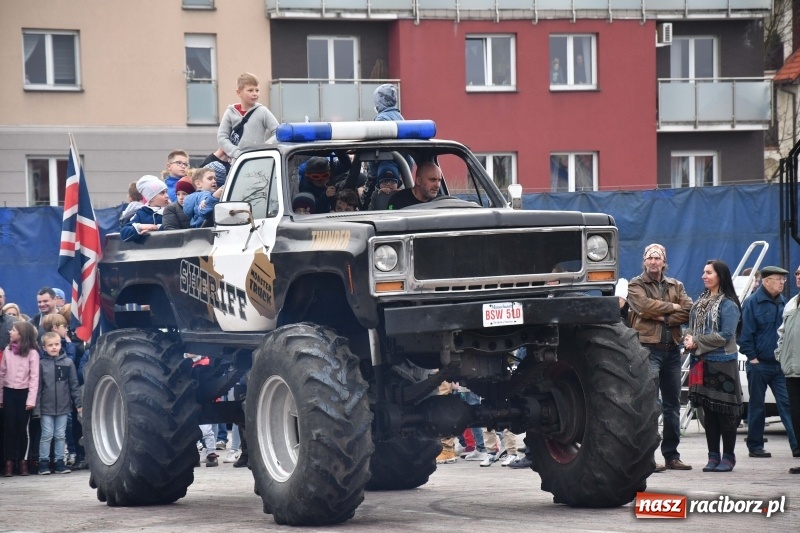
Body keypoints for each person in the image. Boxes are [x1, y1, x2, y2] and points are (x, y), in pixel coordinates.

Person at [627, 243, 693, 472]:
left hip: (673, 350)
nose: (654, 262)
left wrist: (664, 318)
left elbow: (688, 309)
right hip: (648, 350)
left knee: (673, 405)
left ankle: (672, 456)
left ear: (664, 262)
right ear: (644, 261)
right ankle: (647, 458)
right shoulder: (635, 285)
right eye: (650, 258)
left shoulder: (677, 285)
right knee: (650, 404)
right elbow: (643, 308)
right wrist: (672, 307)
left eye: (658, 258)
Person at [684, 260, 743, 472]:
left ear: (720, 276)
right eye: (703, 271)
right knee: (708, 412)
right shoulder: (700, 301)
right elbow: (691, 326)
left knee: (725, 412)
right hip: (701, 362)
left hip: (722, 363)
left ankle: (728, 456)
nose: (704, 276)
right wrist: (687, 338)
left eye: (708, 272)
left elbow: (726, 335)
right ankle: (712, 456)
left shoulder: (728, 304)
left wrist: (697, 342)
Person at [740, 265, 799, 458]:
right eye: (778, 279)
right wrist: (752, 358)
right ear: (766, 281)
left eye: (784, 279)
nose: (783, 282)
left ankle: (796, 446)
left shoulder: (784, 303)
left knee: (788, 404)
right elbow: (744, 333)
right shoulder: (752, 303)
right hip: (759, 363)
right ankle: (755, 447)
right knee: (757, 406)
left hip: (778, 364)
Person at [36, 331, 81, 475]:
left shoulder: (68, 362)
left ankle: (59, 462)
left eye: (56, 344)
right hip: (46, 407)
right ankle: (44, 462)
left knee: (61, 434)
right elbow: (37, 387)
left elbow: (74, 385)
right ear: (44, 347)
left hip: (64, 406)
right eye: (50, 345)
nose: (54, 347)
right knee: (47, 434)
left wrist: (78, 404)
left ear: (60, 345)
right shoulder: (41, 364)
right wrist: (36, 408)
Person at [0, 321, 40, 477]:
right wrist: (1, 397)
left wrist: (31, 400)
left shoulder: (32, 353)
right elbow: (2, 375)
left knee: (23, 429)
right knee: (9, 428)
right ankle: (9, 462)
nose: (10, 332)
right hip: (9, 393)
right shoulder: (8, 351)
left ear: (22, 334)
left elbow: (34, 378)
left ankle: (22, 461)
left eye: (14, 330)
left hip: (24, 394)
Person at [217, 72, 279, 161]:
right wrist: (236, 152)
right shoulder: (230, 113)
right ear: (239, 92)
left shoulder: (263, 111)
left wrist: (266, 146)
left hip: (259, 160)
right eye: (250, 90)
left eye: (257, 90)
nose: (255, 93)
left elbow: (278, 132)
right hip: (237, 162)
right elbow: (222, 137)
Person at [776, 265, 800, 474]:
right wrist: (780, 356)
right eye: (797, 273)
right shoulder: (792, 303)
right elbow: (782, 334)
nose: (798, 277)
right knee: (797, 417)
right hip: (792, 371)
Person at [120, 177, 169, 243]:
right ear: (151, 198)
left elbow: (174, 227)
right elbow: (124, 233)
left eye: (166, 192)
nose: (167, 196)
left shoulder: (171, 211)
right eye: (162, 193)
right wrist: (140, 227)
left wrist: (157, 228)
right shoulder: (141, 213)